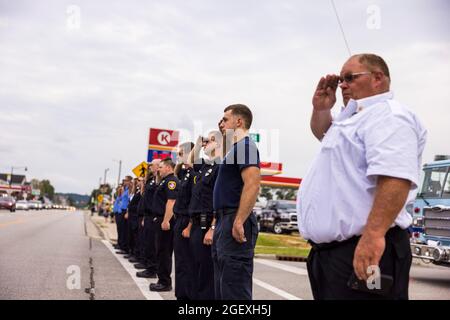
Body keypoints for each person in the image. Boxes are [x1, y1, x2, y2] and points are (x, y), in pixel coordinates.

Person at [298, 53, 427, 300]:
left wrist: (373, 237)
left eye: (350, 78)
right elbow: (323, 134)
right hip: (333, 256)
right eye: (340, 80)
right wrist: (321, 109)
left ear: (378, 78)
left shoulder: (388, 116)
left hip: (363, 248)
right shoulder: (353, 118)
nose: (343, 85)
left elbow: (395, 178)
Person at [213, 104, 261, 300]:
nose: (221, 123)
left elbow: (252, 183)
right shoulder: (233, 149)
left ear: (239, 121)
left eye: (225, 119)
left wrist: (239, 220)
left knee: (234, 290)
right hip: (225, 221)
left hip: (234, 219)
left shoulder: (245, 146)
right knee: (222, 287)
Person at [188, 131, 222, 300]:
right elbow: (190, 162)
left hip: (207, 224)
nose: (207, 142)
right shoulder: (206, 166)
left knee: (206, 273)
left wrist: (213, 228)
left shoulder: (219, 167)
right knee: (195, 269)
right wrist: (198, 142)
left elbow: (218, 200)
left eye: (212, 140)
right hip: (196, 224)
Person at [149, 157, 179, 292]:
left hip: (165, 221)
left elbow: (171, 202)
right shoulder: (164, 181)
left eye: (160, 167)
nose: (158, 170)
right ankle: (161, 279)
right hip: (160, 219)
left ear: (168, 167)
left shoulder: (171, 181)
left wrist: (166, 220)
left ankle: (165, 282)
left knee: (164, 252)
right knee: (160, 251)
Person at [172, 142, 195, 300]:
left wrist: (189, 225)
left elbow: (194, 201)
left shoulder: (193, 173)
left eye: (181, 154)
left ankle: (185, 297)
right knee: (179, 261)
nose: (178, 157)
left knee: (186, 263)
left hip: (187, 220)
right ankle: (180, 295)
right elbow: (175, 174)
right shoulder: (184, 173)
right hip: (179, 219)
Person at [136, 159, 161, 279]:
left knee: (152, 244)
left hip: (153, 216)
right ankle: (148, 266)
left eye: (152, 165)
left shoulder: (159, 180)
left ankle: (152, 269)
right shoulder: (151, 180)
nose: (150, 167)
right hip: (147, 216)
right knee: (147, 243)